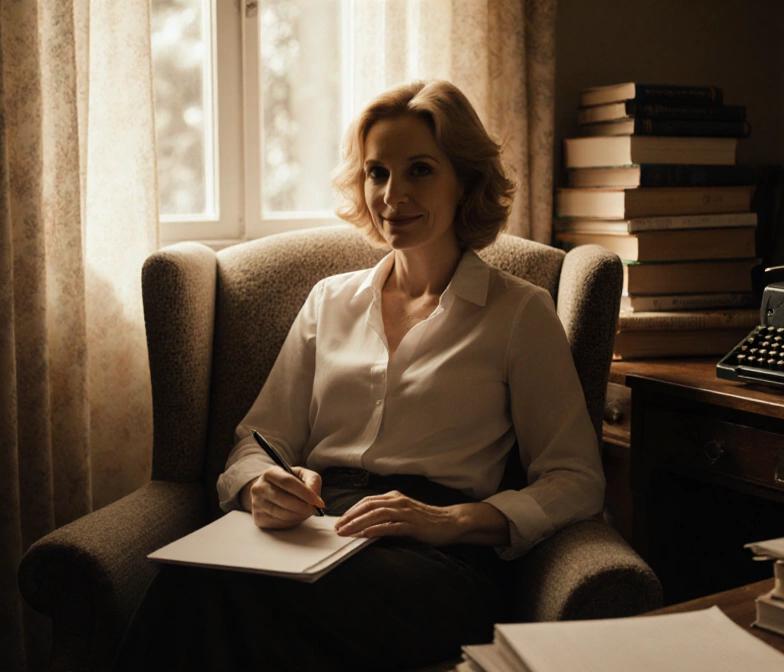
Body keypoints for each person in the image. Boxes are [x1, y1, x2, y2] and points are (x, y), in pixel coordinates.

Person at [114, 79, 605, 672]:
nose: (393, 195)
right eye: (377, 172)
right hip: (320, 526)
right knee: (185, 582)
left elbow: (576, 478)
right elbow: (256, 440)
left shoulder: (519, 313)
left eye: (420, 170)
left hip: (435, 558)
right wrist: (258, 486)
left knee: (228, 599)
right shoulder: (330, 301)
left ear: (466, 181)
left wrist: (447, 522)